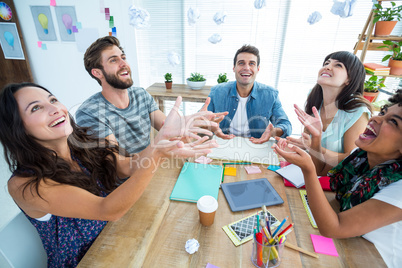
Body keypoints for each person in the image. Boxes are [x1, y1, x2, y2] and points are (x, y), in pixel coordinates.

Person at [0, 82, 217, 267]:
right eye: (36, 108)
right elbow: (106, 210)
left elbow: (125, 166)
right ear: (17, 128)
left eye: (53, 100)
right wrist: (158, 151)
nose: (55, 109)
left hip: (119, 236)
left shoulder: (82, 142)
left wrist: (164, 142)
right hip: (91, 259)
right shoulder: (24, 184)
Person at [273, 90, 402, 268]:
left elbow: (334, 227)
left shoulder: (399, 189)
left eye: (393, 122)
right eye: (383, 112)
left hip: (374, 259)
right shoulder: (361, 155)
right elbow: (323, 169)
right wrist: (317, 138)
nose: (375, 119)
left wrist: (308, 170)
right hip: (349, 244)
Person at [76, 36, 226, 154]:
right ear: (97, 72)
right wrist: (158, 148)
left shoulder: (141, 95)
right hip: (124, 184)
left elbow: (172, 134)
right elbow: (119, 166)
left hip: (152, 167)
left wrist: (198, 125)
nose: (124, 64)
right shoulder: (90, 112)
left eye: (123, 57)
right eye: (113, 60)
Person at [287, 51, 372, 170]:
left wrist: (313, 146)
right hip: (312, 174)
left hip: (338, 183)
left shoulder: (357, 111)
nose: (327, 67)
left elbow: (352, 160)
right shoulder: (315, 99)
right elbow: (309, 149)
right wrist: (292, 146)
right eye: (326, 63)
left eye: (338, 65)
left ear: (349, 79)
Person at [206, 44, 292, 143]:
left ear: (258, 69)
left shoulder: (271, 95)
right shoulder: (217, 92)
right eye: (241, 63)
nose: (246, 68)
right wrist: (204, 122)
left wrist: (273, 132)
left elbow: (286, 125)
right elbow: (202, 121)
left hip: (256, 144)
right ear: (234, 68)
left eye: (252, 63)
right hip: (223, 143)